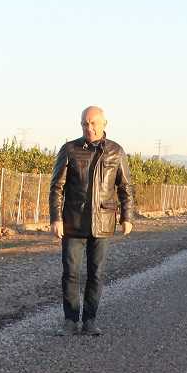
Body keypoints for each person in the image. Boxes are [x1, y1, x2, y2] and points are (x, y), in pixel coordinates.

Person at [50, 106, 135, 336]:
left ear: (104, 123)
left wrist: (127, 216)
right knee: (71, 273)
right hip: (73, 222)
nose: (89, 127)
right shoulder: (69, 149)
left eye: (93, 123)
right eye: (85, 124)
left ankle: (89, 320)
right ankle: (70, 320)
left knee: (96, 273)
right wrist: (56, 218)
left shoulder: (116, 152)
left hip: (103, 221)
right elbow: (57, 187)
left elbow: (125, 187)